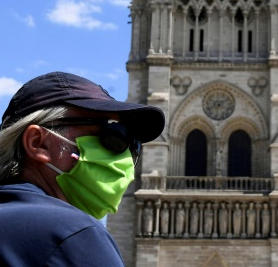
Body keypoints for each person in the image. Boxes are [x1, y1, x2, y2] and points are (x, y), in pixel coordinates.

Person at [0, 71, 165, 266]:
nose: (124, 158)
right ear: (38, 143)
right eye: (112, 134)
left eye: (133, 147)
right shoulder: (72, 234)